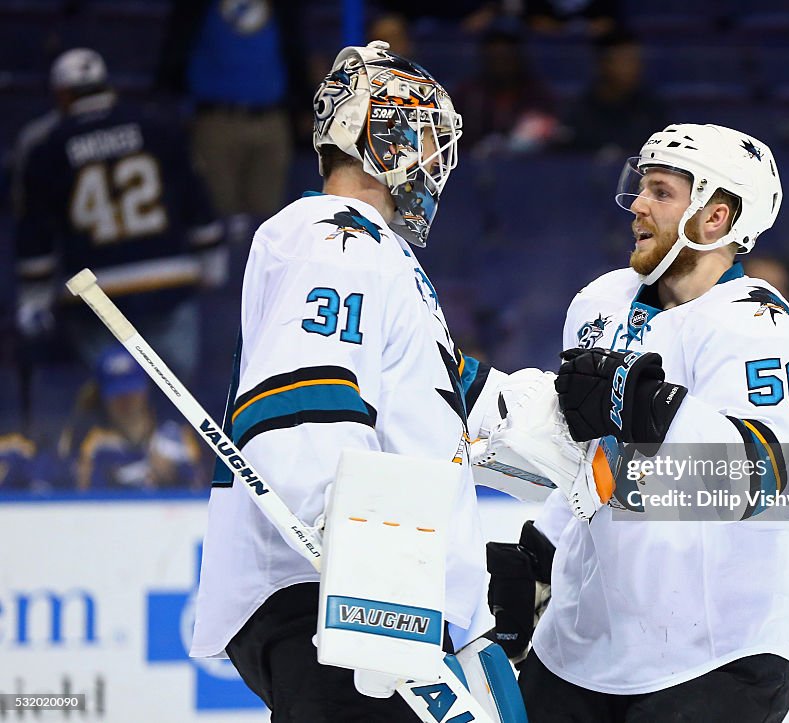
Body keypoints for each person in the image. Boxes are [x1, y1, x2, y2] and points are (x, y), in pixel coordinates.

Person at [189, 41, 492, 720]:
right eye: (425, 140)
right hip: (338, 592)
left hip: (365, 590)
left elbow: (440, 400)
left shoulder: (372, 252)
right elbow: (304, 401)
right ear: (381, 138)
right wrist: (367, 559)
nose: (437, 165)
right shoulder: (336, 236)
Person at [485, 124, 789, 720]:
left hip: (716, 658)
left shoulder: (756, 323)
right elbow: (588, 463)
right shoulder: (598, 302)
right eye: (641, 188)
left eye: (661, 191)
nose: (637, 204)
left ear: (716, 217)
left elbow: (764, 475)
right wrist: (541, 554)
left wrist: (652, 406)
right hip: (580, 649)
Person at [14, 48, 225, 381]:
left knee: (113, 400)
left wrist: (34, 299)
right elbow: (195, 197)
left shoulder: (47, 147)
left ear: (62, 94)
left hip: (98, 294)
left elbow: (35, 232)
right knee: (178, 402)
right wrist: (212, 257)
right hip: (167, 280)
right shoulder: (157, 128)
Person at [156, 0, 309, 221]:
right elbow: (176, 45)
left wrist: (304, 103)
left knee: (268, 221)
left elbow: (294, 46)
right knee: (218, 215)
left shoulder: (284, 6)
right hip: (216, 121)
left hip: (272, 121)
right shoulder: (196, 6)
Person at [61, 344, 203, 491]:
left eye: (131, 390)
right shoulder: (94, 443)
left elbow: (200, 490)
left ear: (145, 388)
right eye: (117, 394)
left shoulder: (177, 436)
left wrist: (173, 473)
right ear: (103, 396)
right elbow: (83, 497)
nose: (126, 401)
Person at [561, 31, 665, 156]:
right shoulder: (578, 110)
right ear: (603, 64)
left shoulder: (653, 109)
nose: (635, 66)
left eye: (637, 59)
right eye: (625, 60)